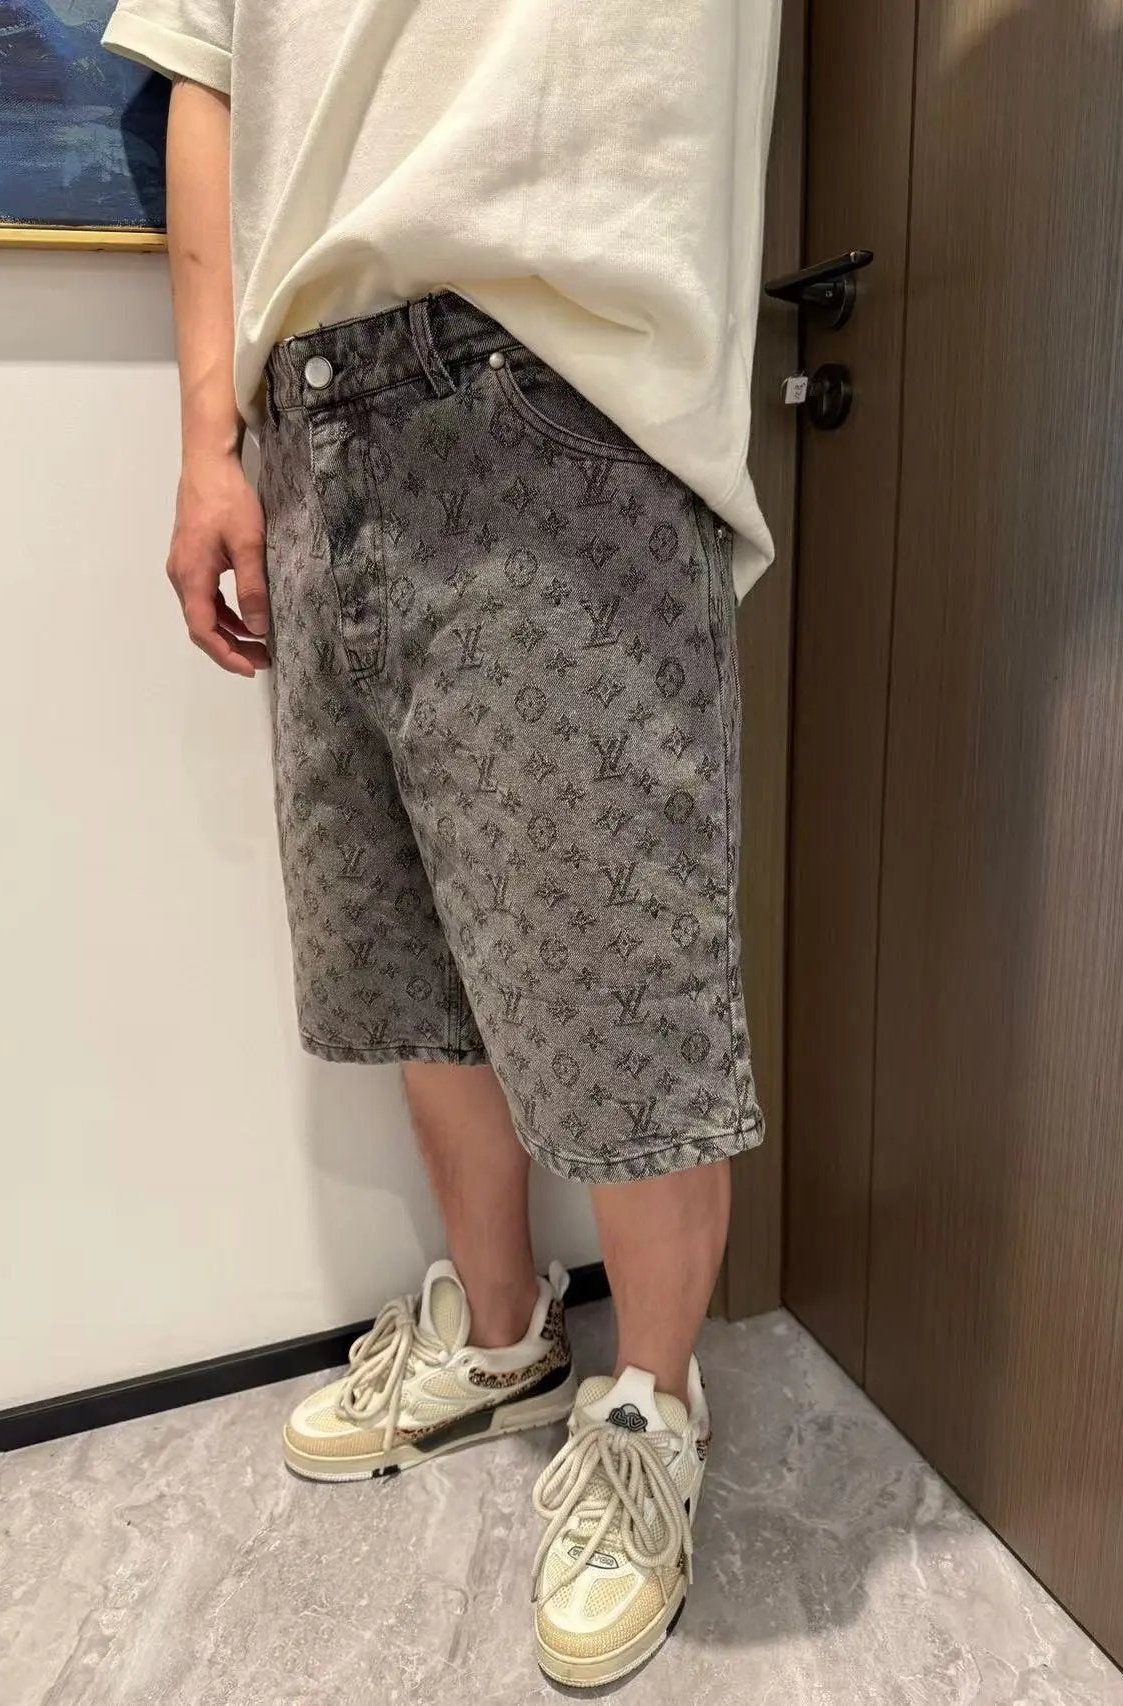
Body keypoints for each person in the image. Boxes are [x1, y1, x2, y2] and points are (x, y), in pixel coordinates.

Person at [103, 1, 780, 1687]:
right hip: (307, 416)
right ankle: (501, 1339)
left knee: (613, 977)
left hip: (561, 379)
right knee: (407, 951)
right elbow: (207, 71)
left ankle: (656, 1405)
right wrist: (208, 433)